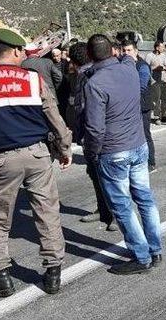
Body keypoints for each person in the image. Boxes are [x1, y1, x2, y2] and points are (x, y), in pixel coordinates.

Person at [0, 29, 72, 297]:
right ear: (14, 51)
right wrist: (64, 148)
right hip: (37, 155)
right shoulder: (33, 80)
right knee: (46, 212)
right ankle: (53, 273)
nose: (25, 55)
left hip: (2, 158)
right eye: (23, 51)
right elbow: (54, 117)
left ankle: (1, 276)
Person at [83, 34, 163, 275]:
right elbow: (130, 58)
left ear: (89, 55)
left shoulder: (94, 84)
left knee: (123, 206)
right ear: (114, 51)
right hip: (139, 146)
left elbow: (95, 129)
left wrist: (93, 153)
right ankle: (155, 249)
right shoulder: (130, 68)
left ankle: (141, 257)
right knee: (145, 200)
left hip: (114, 151)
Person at [69, 42, 117, 231]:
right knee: (95, 174)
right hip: (92, 134)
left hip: (97, 134)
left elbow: (85, 108)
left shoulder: (89, 75)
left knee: (106, 175)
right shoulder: (83, 75)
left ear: (73, 60)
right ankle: (103, 210)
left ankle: (114, 214)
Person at [122, 40, 156, 173]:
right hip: (129, 107)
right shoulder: (122, 65)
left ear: (135, 51)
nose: (126, 53)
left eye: (129, 50)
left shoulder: (142, 66)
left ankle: (150, 162)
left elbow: (141, 86)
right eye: (124, 51)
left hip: (142, 106)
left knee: (145, 134)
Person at [144, 41, 166, 125]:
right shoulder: (149, 56)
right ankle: (157, 116)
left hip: (163, 80)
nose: (163, 49)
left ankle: (164, 115)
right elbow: (145, 68)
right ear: (157, 48)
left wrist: (165, 68)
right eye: (162, 47)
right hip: (154, 81)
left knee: (165, 98)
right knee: (156, 99)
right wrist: (155, 68)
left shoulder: (163, 56)